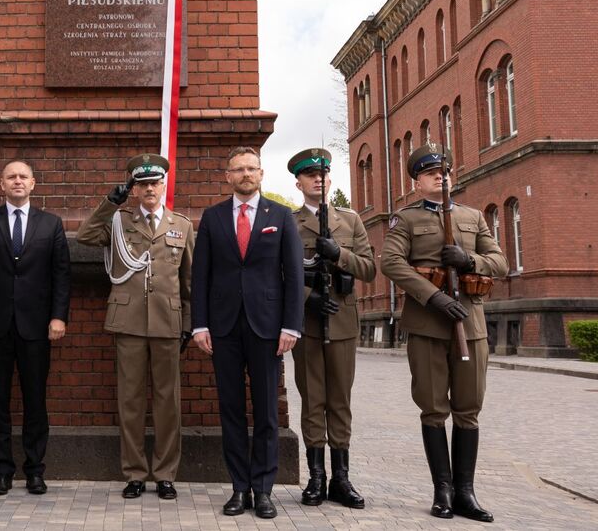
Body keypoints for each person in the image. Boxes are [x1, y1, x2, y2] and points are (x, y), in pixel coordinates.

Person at [381, 143, 506, 523]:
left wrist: (469, 260)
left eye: (444, 171)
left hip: (470, 324)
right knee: (434, 408)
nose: (441, 176)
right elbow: (391, 262)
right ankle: (443, 491)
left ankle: (466, 491)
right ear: (416, 182)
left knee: (468, 409)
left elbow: (499, 261)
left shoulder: (471, 216)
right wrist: (433, 297)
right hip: (428, 326)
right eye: (432, 172)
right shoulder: (405, 220)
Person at [191, 145, 303, 519]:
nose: (245, 175)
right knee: (232, 410)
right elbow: (200, 275)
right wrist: (200, 324)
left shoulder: (281, 216)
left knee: (268, 411)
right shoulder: (212, 217)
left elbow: (293, 275)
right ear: (228, 176)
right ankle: (240, 487)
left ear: (261, 174)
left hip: (268, 327)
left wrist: (291, 325)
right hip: (223, 327)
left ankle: (264, 488)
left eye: (251, 168)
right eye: (238, 169)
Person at [77, 153, 193, 501]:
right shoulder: (118, 222)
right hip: (128, 322)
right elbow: (85, 235)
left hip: (167, 322)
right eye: (141, 184)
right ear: (134, 189)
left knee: (167, 403)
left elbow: (188, 282)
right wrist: (109, 203)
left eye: (154, 183)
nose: (149, 189)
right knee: (129, 402)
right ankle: (135, 473)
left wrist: (187, 323)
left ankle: (166, 473)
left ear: (163, 185)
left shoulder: (181, 225)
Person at [0, 160, 71, 497]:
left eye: (23, 177)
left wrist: (59, 316)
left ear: (33, 184)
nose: (18, 181)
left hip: (37, 327)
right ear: (1, 184)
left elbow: (61, 275)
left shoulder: (51, 224)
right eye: (11, 177)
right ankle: (2, 470)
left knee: (35, 400)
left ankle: (35, 470)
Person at [287, 148, 375, 509]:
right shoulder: (289, 224)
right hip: (307, 323)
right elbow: (278, 275)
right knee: (313, 399)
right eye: (310, 175)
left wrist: (338, 254)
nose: (317, 180)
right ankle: (316, 477)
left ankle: (341, 478)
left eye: (323, 174)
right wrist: (307, 296)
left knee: (340, 400)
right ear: (299, 182)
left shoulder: (350, 222)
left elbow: (369, 268)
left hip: (341, 321)